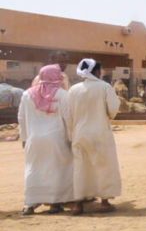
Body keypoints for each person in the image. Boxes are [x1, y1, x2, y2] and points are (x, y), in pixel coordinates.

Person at [64, 58, 121, 214]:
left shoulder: (73, 90)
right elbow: (113, 109)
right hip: (100, 133)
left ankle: (78, 205)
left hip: (79, 134)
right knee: (104, 166)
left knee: (80, 168)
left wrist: (70, 136)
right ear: (96, 71)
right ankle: (104, 202)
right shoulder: (104, 87)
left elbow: (68, 116)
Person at [18, 64, 74, 215]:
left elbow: (21, 118)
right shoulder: (62, 94)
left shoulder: (27, 94)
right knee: (57, 170)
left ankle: (29, 204)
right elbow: (68, 118)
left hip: (34, 139)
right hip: (57, 139)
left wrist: (24, 138)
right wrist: (71, 137)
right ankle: (54, 203)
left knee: (33, 170)